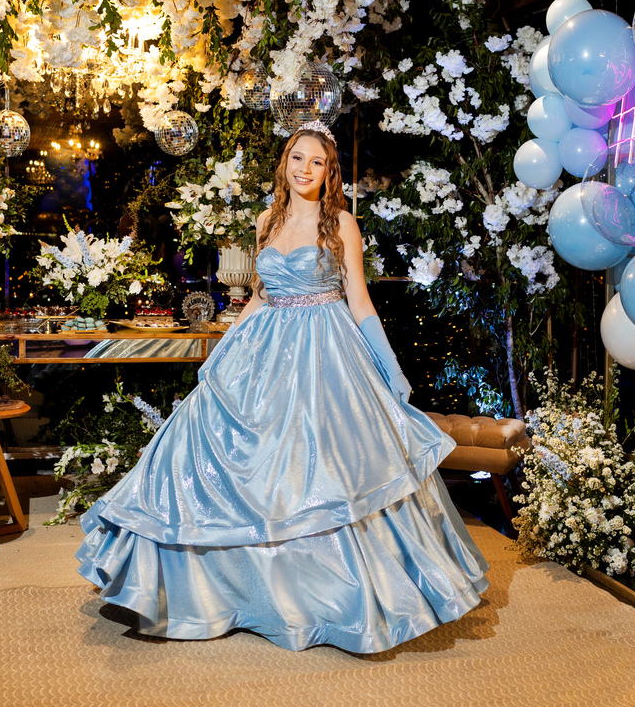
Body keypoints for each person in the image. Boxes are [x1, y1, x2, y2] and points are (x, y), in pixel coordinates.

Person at [76, 121, 489, 653]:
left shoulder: (341, 222)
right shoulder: (265, 220)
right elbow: (259, 296)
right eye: (298, 158)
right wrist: (222, 352)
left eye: (316, 162)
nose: (304, 169)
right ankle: (226, 592)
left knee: (324, 467)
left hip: (326, 351)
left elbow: (360, 301)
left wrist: (391, 370)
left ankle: (331, 599)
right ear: (285, 162)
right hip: (265, 347)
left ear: (328, 171)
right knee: (229, 452)